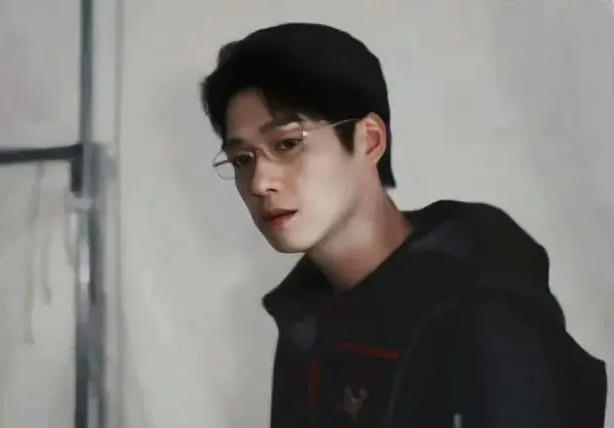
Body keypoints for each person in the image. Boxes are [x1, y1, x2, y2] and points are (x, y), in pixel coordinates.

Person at [199, 22, 608, 428]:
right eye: (242, 159)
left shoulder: (481, 316)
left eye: (288, 144)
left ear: (369, 140)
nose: (259, 182)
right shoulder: (307, 319)